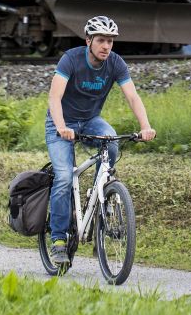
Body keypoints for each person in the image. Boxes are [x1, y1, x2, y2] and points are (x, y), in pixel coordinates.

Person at [46, 15, 156, 265]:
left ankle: (101, 196)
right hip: (60, 122)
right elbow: (54, 98)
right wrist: (62, 127)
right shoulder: (71, 59)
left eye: (110, 41)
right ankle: (59, 240)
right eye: (101, 40)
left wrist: (145, 126)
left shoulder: (116, 63)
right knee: (64, 176)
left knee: (112, 142)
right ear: (89, 41)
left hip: (90, 120)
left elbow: (133, 97)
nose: (106, 46)